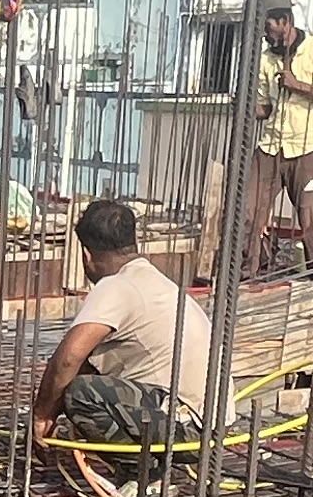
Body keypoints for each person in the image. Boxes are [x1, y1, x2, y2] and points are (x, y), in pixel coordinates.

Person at [31, 197, 210, 465]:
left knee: (81, 394)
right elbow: (82, 364)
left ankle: (142, 473)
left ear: (86, 255)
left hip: (184, 429)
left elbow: (68, 358)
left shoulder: (116, 286)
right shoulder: (154, 282)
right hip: (204, 425)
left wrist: (41, 417)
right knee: (84, 377)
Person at [251, 0, 313, 251]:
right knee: (248, 214)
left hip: (306, 149)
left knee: (310, 222)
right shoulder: (266, 59)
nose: (265, 34)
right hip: (271, 147)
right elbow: (266, 108)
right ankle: (249, 269)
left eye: (268, 26)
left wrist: (297, 85)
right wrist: (246, 108)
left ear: (284, 21)